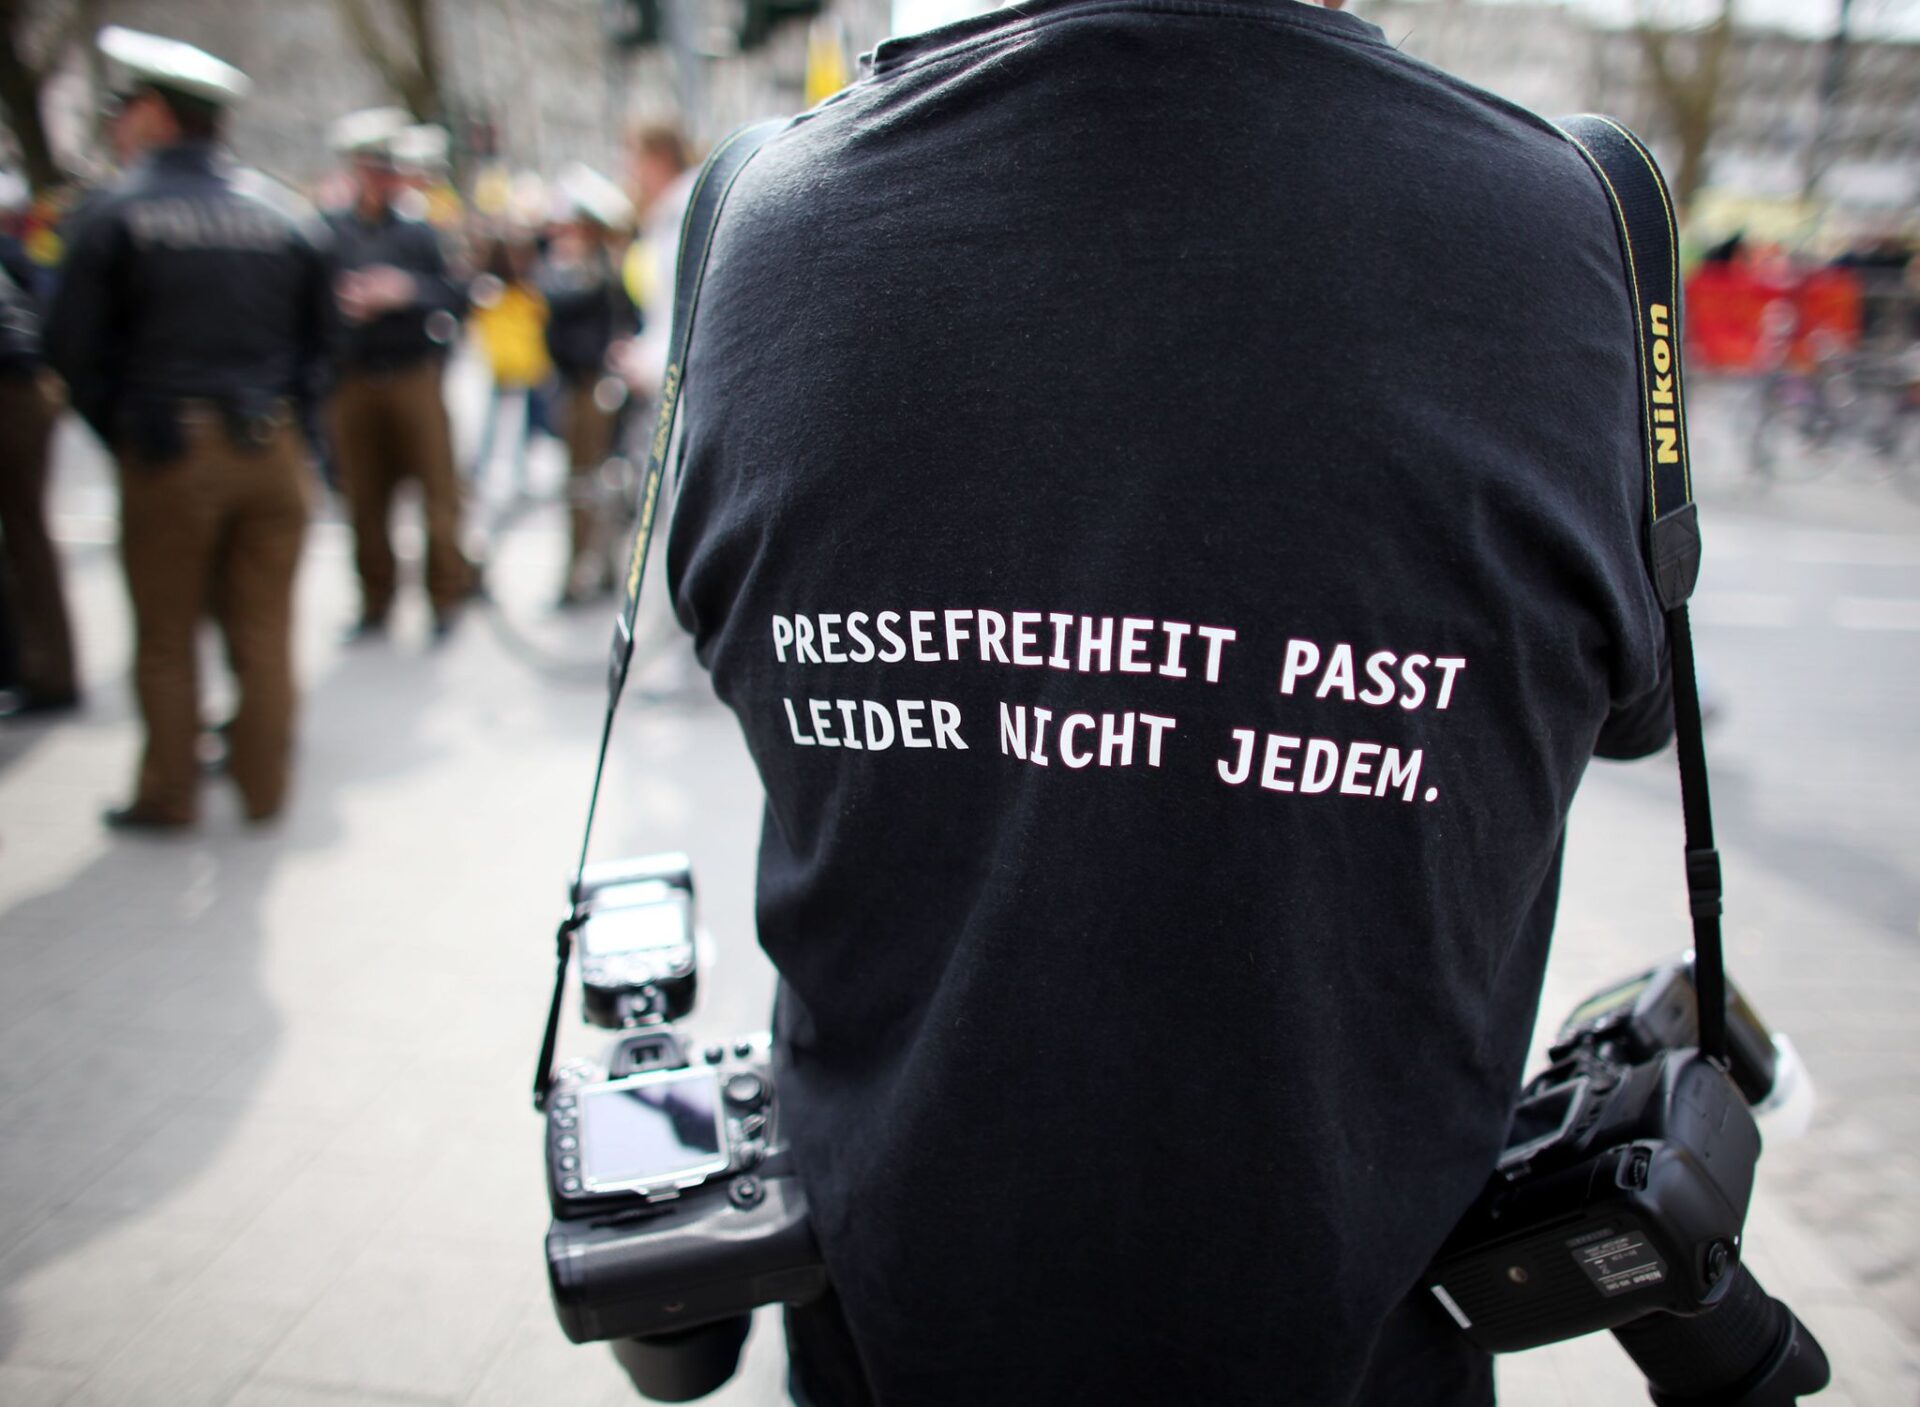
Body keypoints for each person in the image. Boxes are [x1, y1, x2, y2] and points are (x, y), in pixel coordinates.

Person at [661, 1, 1674, 1403]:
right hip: (1361, 1320)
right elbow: (1630, 710)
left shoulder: (758, 217)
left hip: (886, 1315)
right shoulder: (1582, 222)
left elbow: (734, 654)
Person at [45, 26, 331, 830]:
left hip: (169, 447)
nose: (116, 123)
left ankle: (170, 792)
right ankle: (265, 789)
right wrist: (294, 424)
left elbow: (70, 343)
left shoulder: (114, 213)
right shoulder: (282, 213)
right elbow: (323, 343)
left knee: (167, 637)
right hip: (270, 444)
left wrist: (127, 429)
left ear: (158, 116)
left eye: (124, 107)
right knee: (266, 631)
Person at [324, 107, 471, 642]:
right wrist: (345, 303)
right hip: (354, 375)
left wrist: (404, 290)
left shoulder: (419, 232)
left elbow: (457, 295)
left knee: (437, 491)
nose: (379, 180)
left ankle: (445, 594)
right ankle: (375, 598)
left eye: (388, 170)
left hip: (413, 372)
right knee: (364, 496)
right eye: (370, 169)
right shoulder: (329, 231)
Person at [542, 164, 638, 605]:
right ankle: (581, 567)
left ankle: (599, 566)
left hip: (599, 390)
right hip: (575, 389)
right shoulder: (569, 270)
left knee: (600, 482)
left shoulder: (606, 274)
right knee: (582, 484)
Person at [0, 250, 78, 717]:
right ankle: (32, 669)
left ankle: (45, 673)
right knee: (27, 536)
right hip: (25, 382)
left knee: (26, 536)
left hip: (12, 384)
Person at [466, 229, 551, 495]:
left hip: (523, 365)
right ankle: (483, 469)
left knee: (522, 421)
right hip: (501, 364)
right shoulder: (493, 289)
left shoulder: (529, 288)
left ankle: (518, 471)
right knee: (495, 420)